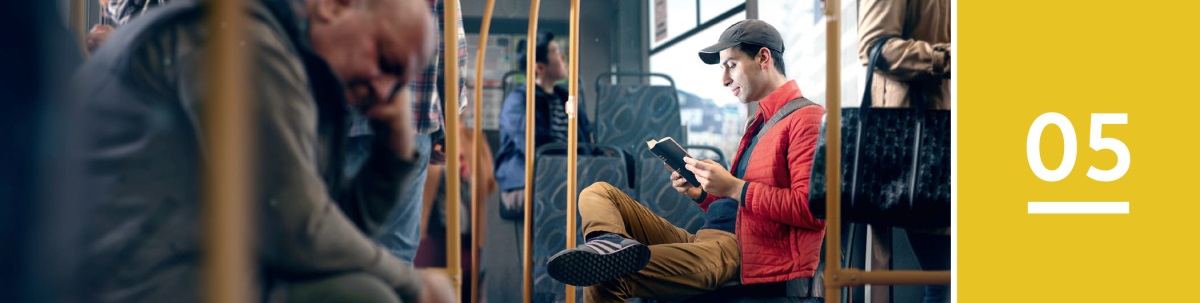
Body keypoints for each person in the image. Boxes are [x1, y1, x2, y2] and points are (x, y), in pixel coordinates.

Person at [69, 0, 445, 302]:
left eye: (400, 82)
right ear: (334, 7)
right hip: (128, 276)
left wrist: (392, 154)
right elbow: (301, 232)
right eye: (386, 60)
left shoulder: (295, 62)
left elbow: (334, 228)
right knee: (361, 295)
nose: (385, 93)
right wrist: (415, 285)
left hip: (171, 262)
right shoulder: (247, 39)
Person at [544, 19, 826, 303]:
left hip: (739, 251)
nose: (724, 79)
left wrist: (731, 187)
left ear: (763, 57)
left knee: (604, 276)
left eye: (731, 65)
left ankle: (610, 257)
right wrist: (703, 194)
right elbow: (738, 208)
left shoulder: (805, 118)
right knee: (597, 192)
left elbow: (810, 210)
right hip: (706, 238)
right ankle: (609, 244)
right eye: (723, 68)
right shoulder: (757, 123)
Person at [858, 0, 951, 302]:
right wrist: (946, 57)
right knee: (943, 280)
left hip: (951, 137)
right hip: (925, 145)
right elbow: (873, 46)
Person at [493, 31, 595, 220]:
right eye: (555, 51)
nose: (563, 56)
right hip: (527, 180)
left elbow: (584, 142)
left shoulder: (566, 97)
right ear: (539, 67)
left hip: (567, 176)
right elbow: (534, 146)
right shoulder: (518, 102)